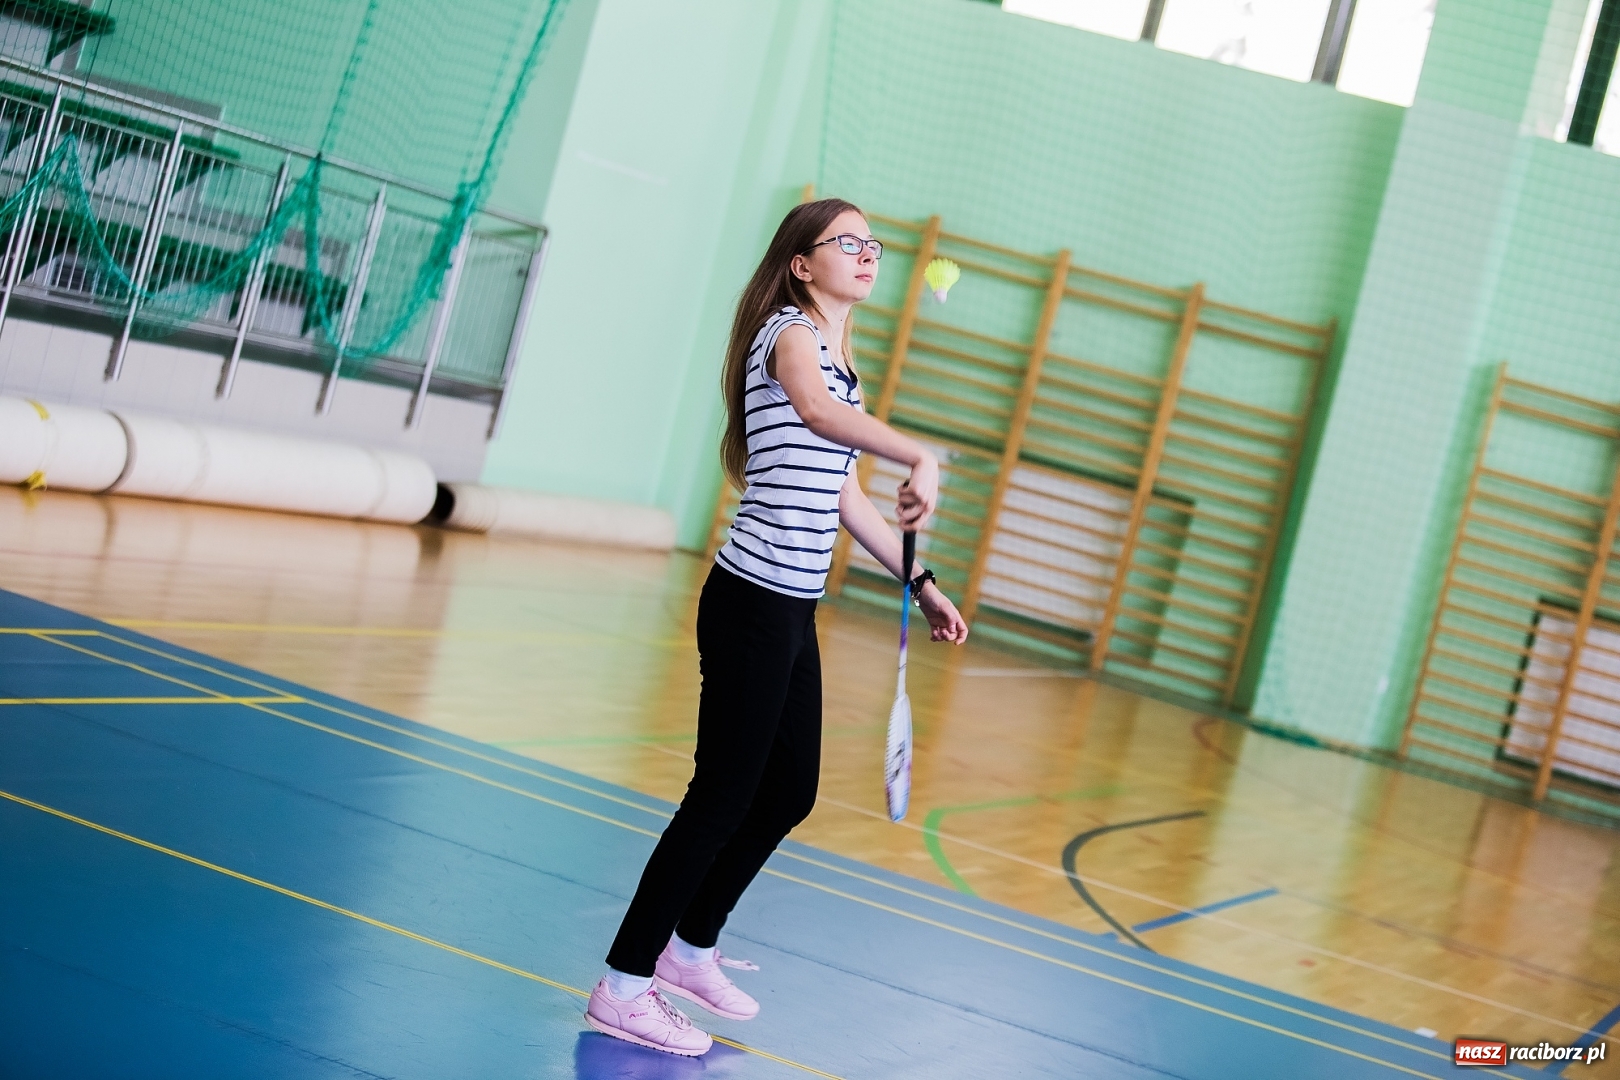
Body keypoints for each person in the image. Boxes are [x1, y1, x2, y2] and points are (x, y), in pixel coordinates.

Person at [584, 198, 969, 1056]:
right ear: (802, 262)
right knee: (720, 795)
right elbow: (825, 422)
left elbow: (844, 496)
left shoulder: (842, 362)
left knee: (789, 789)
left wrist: (922, 583)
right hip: (751, 602)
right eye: (848, 243)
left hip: (795, 610)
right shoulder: (788, 336)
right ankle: (622, 985)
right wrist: (920, 452)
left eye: (875, 245)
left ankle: (690, 947)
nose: (868, 255)